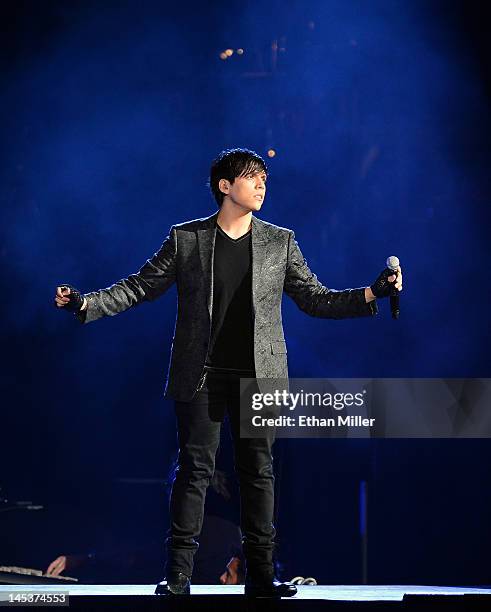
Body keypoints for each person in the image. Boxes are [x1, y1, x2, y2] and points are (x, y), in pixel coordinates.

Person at [54, 148, 402, 597]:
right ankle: (178, 576)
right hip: (201, 374)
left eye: (264, 178)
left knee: (258, 472)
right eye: (252, 177)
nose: (261, 185)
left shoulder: (280, 242)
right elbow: (140, 286)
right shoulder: (187, 239)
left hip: (261, 375)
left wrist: (372, 292)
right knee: (193, 470)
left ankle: (261, 577)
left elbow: (317, 299)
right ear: (225, 185)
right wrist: (86, 303)